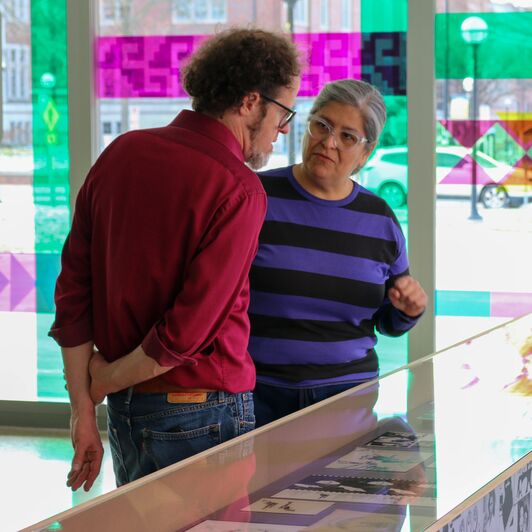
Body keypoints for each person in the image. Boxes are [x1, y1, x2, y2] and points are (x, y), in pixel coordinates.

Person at [48, 28, 301, 490]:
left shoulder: (120, 153)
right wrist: (101, 383)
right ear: (248, 102)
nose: (284, 130)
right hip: (203, 410)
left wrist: (83, 406)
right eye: (284, 113)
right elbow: (184, 336)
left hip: (128, 410)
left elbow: (73, 292)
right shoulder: (239, 188)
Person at [248, 79, 427, 427]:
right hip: (257, 396)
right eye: (322, 125)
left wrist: (409, 310)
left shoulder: (380, 220)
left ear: (366, 151)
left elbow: (389, 320)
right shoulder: (256, 198)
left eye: (347, 136)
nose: (328, 142)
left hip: (346, 398)